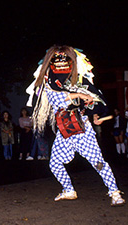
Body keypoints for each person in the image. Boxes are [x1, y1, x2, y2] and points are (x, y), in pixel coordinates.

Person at [27, 45, 125, 206]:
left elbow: (96, 100)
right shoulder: (49, 81)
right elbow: (58, 99)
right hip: (65, 130)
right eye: (56, 61)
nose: (60, 64)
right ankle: (69, 190)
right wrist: (79, 94)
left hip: (82, 129)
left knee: (98, 162)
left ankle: (114, 192)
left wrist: (96, 114)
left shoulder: (80, 81)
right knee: (55, 163)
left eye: (64, 61)